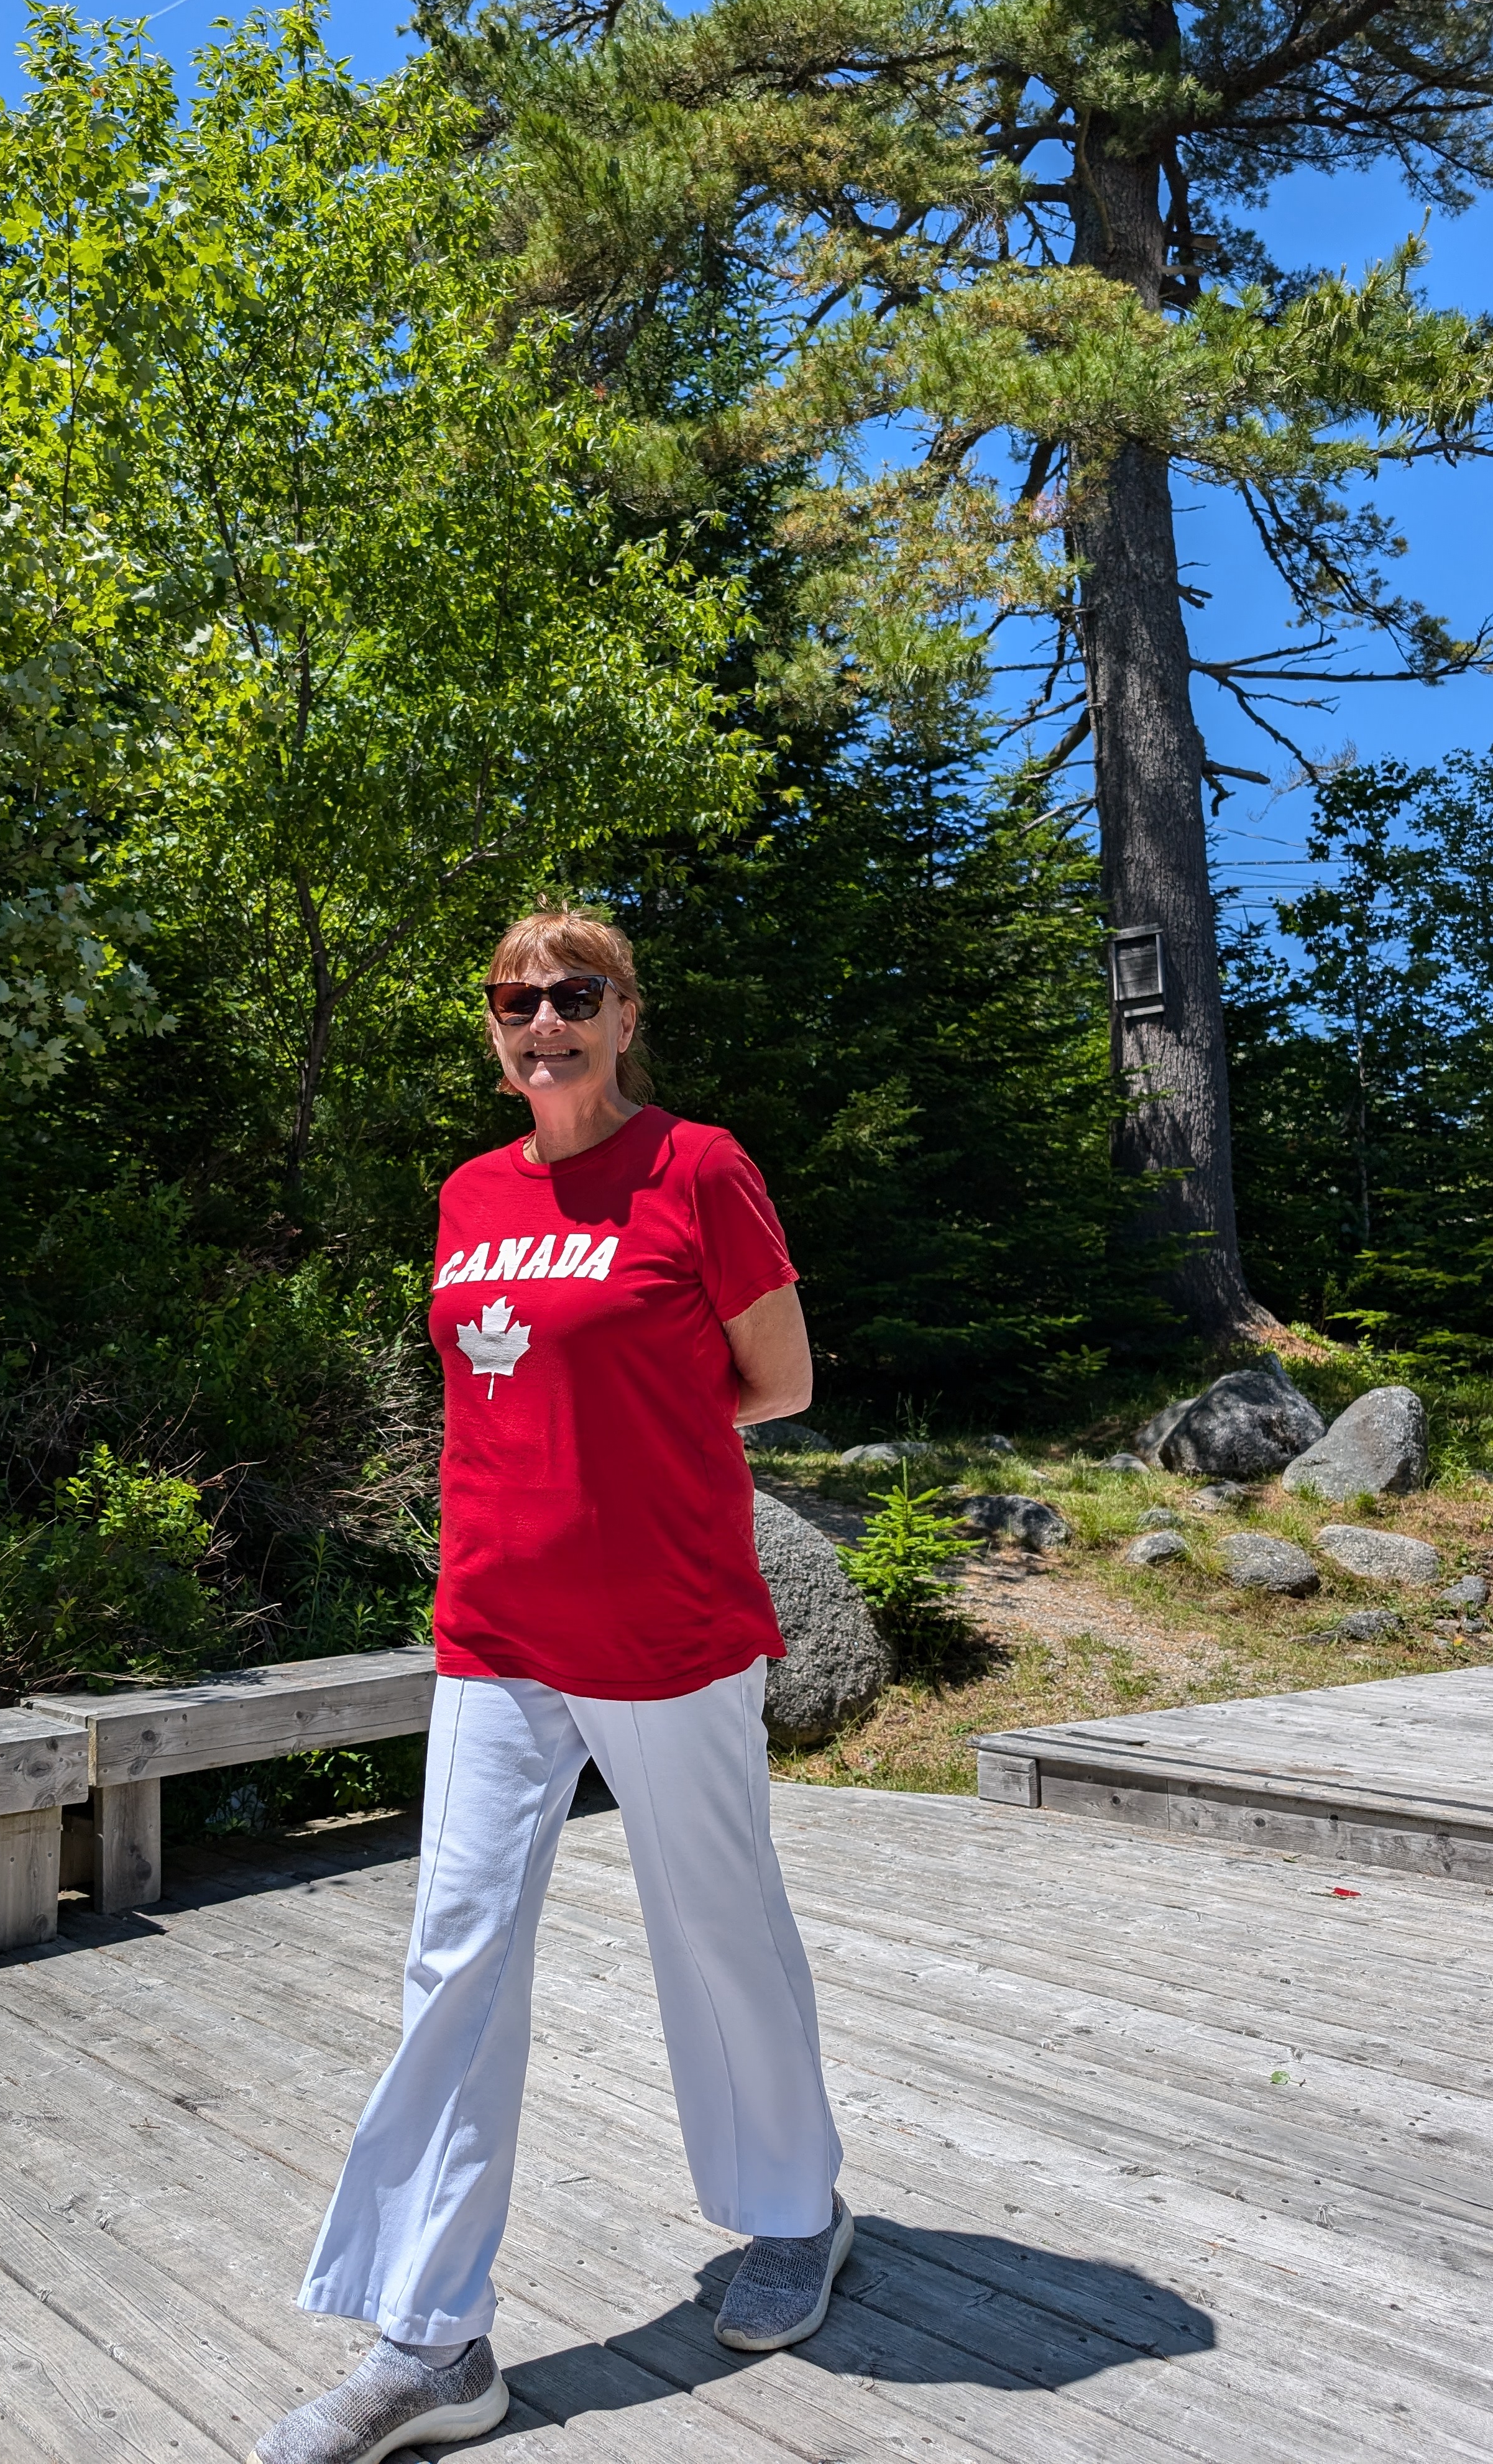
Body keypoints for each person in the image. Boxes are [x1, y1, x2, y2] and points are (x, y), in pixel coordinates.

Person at [255, 908, 847, 2464]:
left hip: (668, 1624)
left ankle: (794, 2212)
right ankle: (432, 2342)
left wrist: (642, 1429)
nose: (544, 1021)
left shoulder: (699, 1169)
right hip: (496, 1631)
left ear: (626, 1012)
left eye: (574, 995)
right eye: (518, 1000)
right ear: (495, 1028)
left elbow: (775, 1381)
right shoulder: (468, 1193)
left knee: (718, 1933)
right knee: (454, 1961)